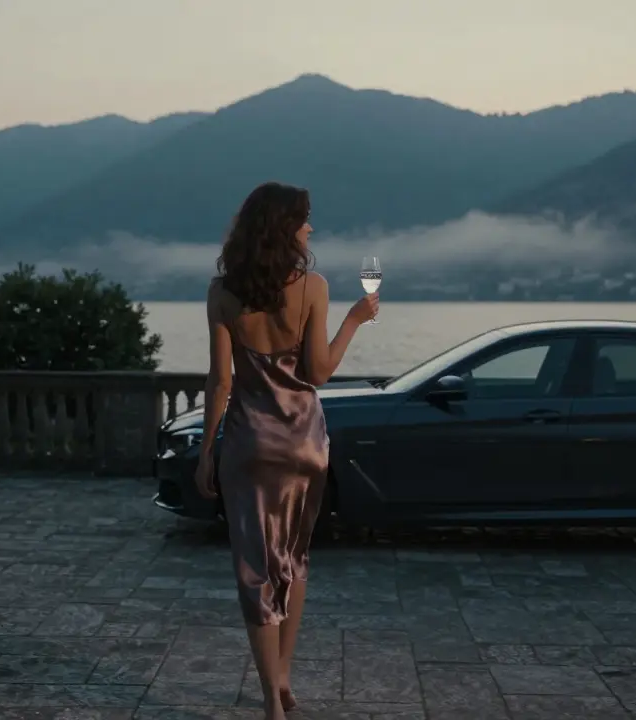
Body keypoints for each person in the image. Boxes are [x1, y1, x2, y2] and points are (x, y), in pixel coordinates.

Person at [194, 181, 379, 720]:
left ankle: (271, 698)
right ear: (284, 228)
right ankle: (284, 679)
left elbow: (220, 381)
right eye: (305, 219)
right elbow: (318, 373)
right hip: (303, 443)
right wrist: (353, 321)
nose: (311, 228)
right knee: (294, 560)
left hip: (250, 444)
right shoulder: (315, 288)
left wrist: (208, 449)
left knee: (255, 567)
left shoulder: (221, 293)